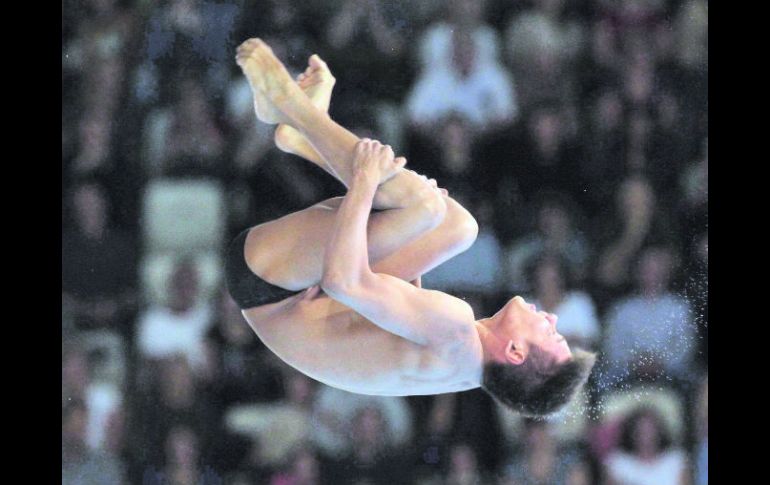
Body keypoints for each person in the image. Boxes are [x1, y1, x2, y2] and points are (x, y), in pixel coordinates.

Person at [226, 38, 595, 417]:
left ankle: (291, 109)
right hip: (295, 295)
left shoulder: (456, 329)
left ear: (516, 351)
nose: (551, 318)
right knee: (457, 226)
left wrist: (366, 182)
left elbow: (343, 281)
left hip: (272, 286)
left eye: (552, 334)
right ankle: (305, 138)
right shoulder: (464, 367)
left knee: (425, 208)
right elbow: (374, 314)